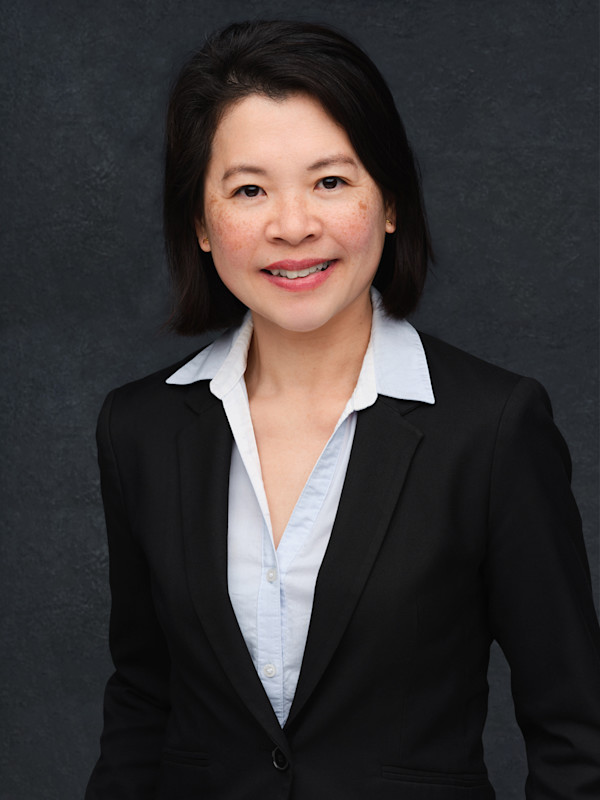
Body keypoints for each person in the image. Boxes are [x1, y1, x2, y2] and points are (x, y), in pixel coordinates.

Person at [86, 19, 600, 800]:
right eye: (249, 190)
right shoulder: (140, 429)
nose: (293, 226)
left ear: (390, 203)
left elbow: (576, 731)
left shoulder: (493, 427)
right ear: (200, 224)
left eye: (330, 182)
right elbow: (142, 698)